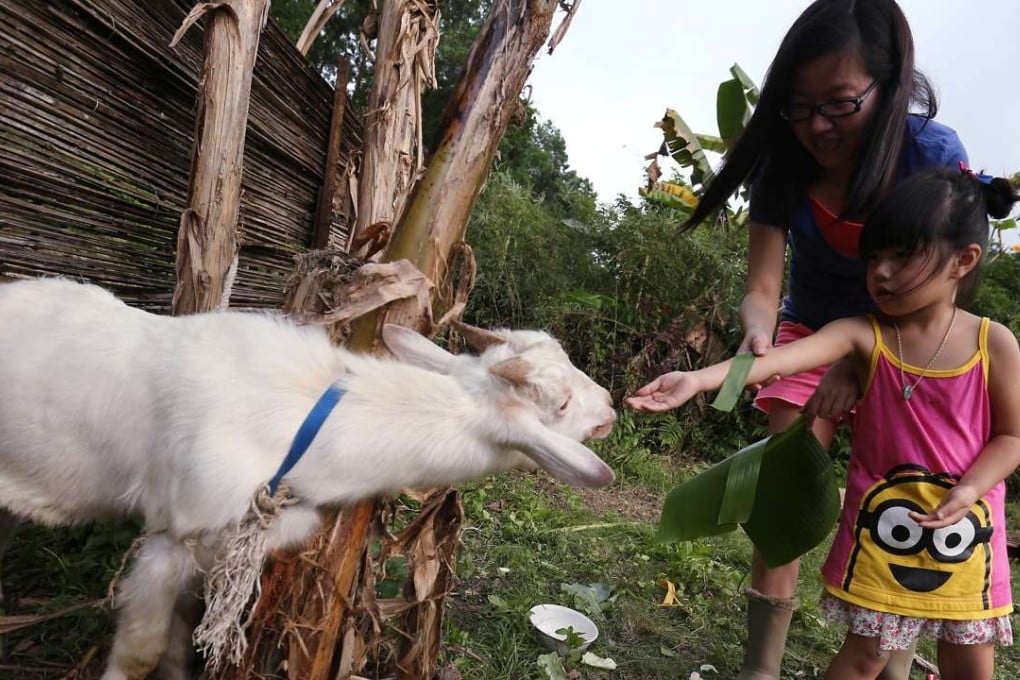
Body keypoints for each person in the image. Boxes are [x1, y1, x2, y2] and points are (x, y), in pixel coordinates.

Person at [629, 167, 1019, 680]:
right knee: (863, 659)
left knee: (972, 668)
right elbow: (779, 361)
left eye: (901, 256)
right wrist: (701, 379)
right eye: (873, 257)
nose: (880, 273)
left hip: (969, 540)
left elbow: (1011, 437)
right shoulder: (862, 334)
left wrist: (970, 490)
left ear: (963, 261)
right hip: (885, 540)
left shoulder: (994, 344)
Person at [674, 1, 970, 677]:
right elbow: (763, 283)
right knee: (785, 484)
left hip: (906, 344)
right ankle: (761, 667)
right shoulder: (784, 163)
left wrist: (868, 359)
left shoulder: (932, 155)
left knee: (900, 495)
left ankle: (892, 661)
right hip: (809, 335)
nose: (816, 126)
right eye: (799, 107)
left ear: (889, 86)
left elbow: (943, 284)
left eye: (839, 104)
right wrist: (757, 329)